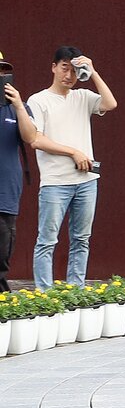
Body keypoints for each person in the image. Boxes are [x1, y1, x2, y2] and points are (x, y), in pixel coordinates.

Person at [26, 46, 118, 290]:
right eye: (64, 68)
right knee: (47, 240)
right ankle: (44, 293)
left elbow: (110, 103)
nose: (69, 75)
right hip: (55, 182)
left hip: (86, 181)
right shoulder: (38, 100)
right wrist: (74, 151)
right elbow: (37, 139)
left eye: (75, 71)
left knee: (81, 240)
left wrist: (93, 72)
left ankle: (75, 291)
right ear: (53, 67)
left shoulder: (82, 97)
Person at [1, 56, 40, 291]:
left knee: (1, 255)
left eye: (3, 72)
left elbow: (30, 137)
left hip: (5, 192)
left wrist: (17, 106)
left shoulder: (18, 106)